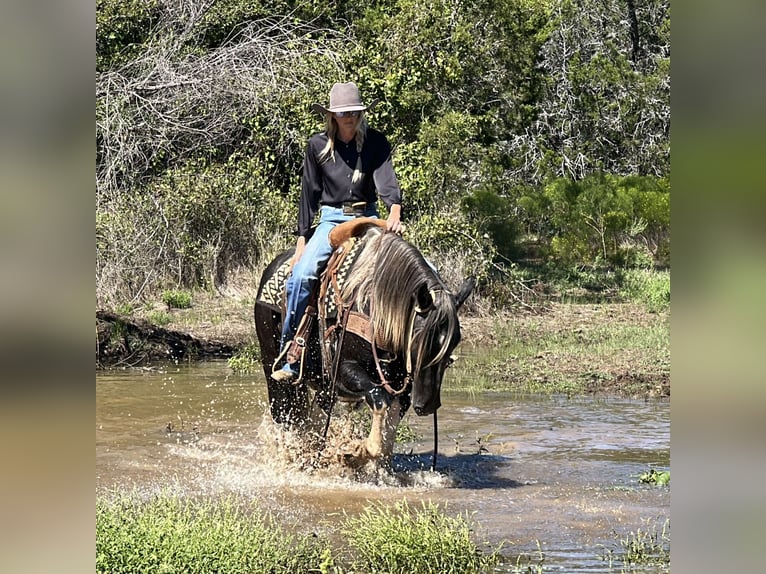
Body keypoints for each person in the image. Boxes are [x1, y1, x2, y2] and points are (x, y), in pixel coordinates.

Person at [271, 82, 403, 382]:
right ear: (332, 115)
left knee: (419, 272)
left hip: (369, 218)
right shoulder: (317, 146)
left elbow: (386, 182)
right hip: (331, 222)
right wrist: (303, 238)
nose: (349, 118)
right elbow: (309, 193)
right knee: (302, 276)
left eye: (354, 112)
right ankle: (291, 352)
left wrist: (394, 209)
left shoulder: (376, 143)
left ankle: (416, 349)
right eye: (344, 113)